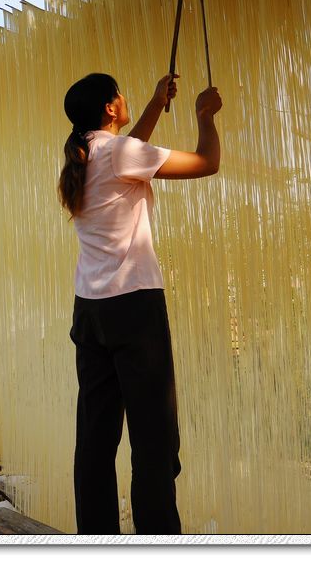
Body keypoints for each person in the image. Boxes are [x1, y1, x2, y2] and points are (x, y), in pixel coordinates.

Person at [58, 73, 222, 535]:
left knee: (95, 437)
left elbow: (128, 153)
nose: (126, 99)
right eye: (123, 95)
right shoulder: (120, 154)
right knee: (154, 440)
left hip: (89, 311)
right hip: (135, 310)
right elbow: (207, 163)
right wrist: (204, 116)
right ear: (111, 107)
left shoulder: (84, 152)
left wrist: (152, 103)